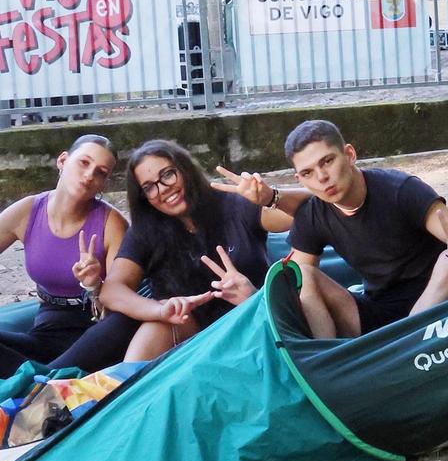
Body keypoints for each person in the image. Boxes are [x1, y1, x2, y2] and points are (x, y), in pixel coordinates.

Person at [0, 134, 135, 379]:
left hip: (95, 332)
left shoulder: (112, 224)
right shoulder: (28, 211)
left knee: (122, 325)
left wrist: (95, 286)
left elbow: (119, 307)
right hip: (47, 332)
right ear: (62, 160)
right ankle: (46, 381)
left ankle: (42, 381)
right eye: (84, 162)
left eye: (101, 172)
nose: (90, 175)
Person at [93, 140, 309, 363]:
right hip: (191, 336)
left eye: (167, 174)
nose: (162, 189)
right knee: (153, 326)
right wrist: (160, 310)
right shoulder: (145, 231)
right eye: (149, 187)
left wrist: (271, 196)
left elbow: (310, 208)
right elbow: (111, 291)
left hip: (255, 322)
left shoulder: (235, 205)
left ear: (184, 169)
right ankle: (121, 392)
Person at [282, 120, 448, 338]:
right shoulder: (312, 214)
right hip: (380, 311)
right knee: (300, 274)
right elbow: (296, 283)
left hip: (441, 299)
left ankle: (406, 344)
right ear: (299, 179)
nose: (322, 177)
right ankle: (330, 362)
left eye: (327, 161)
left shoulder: (400, 189)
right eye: (308, 173)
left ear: (349, 154)